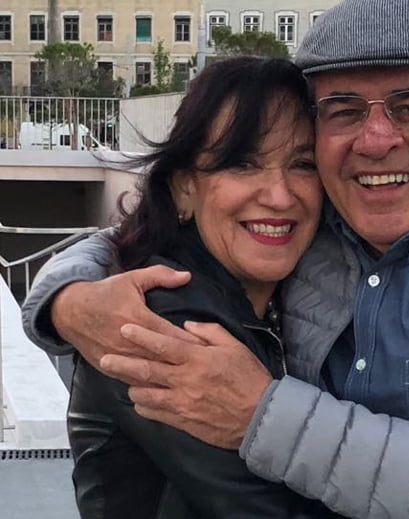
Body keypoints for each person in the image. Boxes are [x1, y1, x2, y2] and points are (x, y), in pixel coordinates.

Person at [23, 1, 409, 518]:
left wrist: (259, 414)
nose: (375, 140)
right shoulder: (311, 225)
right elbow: (140, 238)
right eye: (344, 109)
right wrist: (67, 299)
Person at [56, 56, 341, 518]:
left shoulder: (285, 300)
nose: (280, 195)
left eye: (303, 164)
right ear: (184, 188)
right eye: (242, 164)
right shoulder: (163, 321)